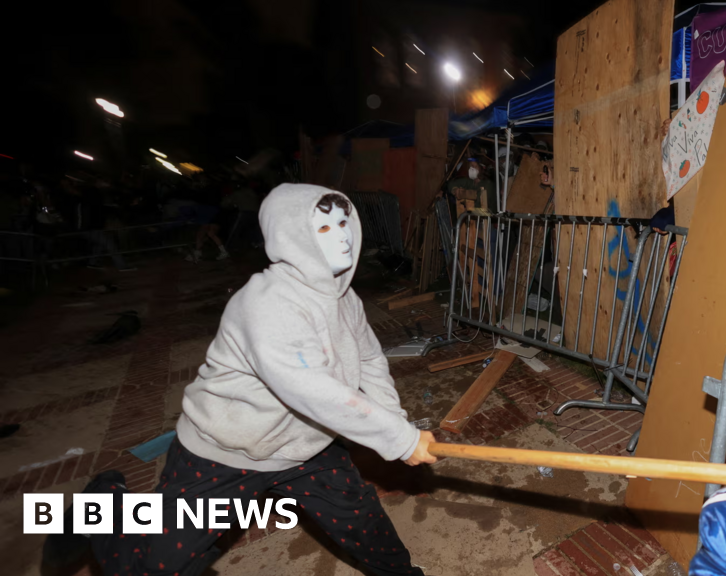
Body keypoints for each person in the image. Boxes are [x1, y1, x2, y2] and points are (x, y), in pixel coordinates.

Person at [45, 184, 436, 576]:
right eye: (323, 229)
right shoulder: (266, 303)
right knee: (153, 568)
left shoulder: (343, 298)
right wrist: (397, 439)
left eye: (342, 222)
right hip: (225, 452)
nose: (343, 235)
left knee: (362, 523)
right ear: (290, 236)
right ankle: (105, 502)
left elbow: (368, 358)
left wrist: (395, 420)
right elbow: (310, 388)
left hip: (306, 447)